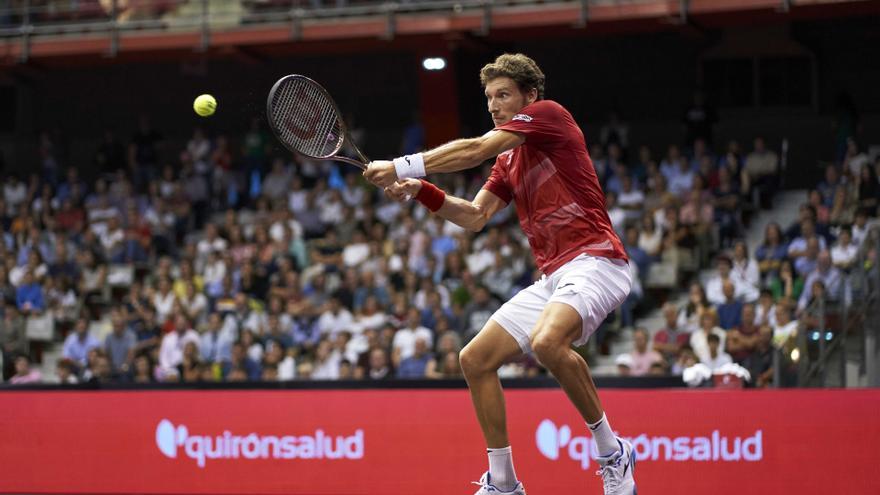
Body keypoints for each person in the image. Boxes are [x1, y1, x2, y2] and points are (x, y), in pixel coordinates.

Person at [364, 53, 635, 494]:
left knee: (548, 343)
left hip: (598, 261)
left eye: (503, 95)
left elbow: (475, 148)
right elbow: (474, 217)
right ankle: (505, 483)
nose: (493, 104)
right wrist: (422, 191)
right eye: (489, 97)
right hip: (554, 277)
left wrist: (402, 166)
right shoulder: (508, 163)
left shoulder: (549, 116)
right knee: (474, 359)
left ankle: (612, 451)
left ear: (529, 97)